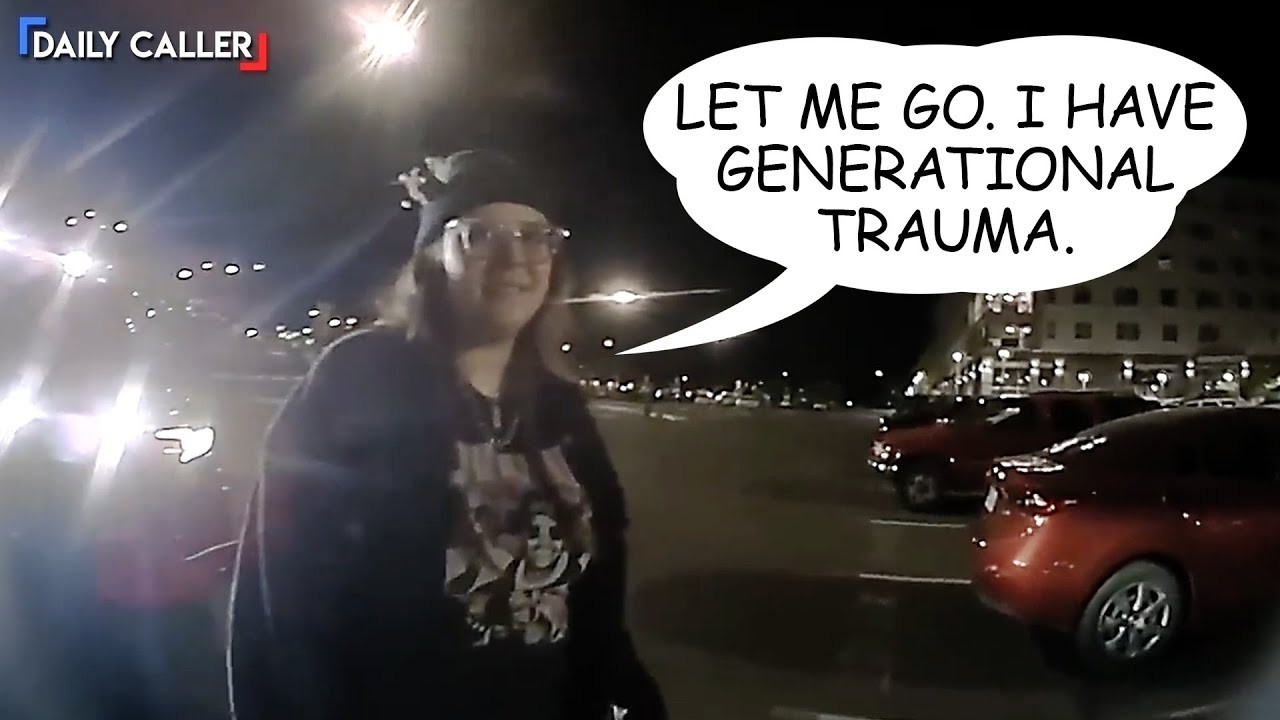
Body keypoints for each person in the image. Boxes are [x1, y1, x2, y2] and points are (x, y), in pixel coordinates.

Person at [228, 150, 666, 720]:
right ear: (433, 259)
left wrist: (629, 692)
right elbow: (282, 594)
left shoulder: (560, 407)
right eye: (480, 236)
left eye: (533, 236)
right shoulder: (362, 377)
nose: (515, 258)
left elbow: (597, 586)